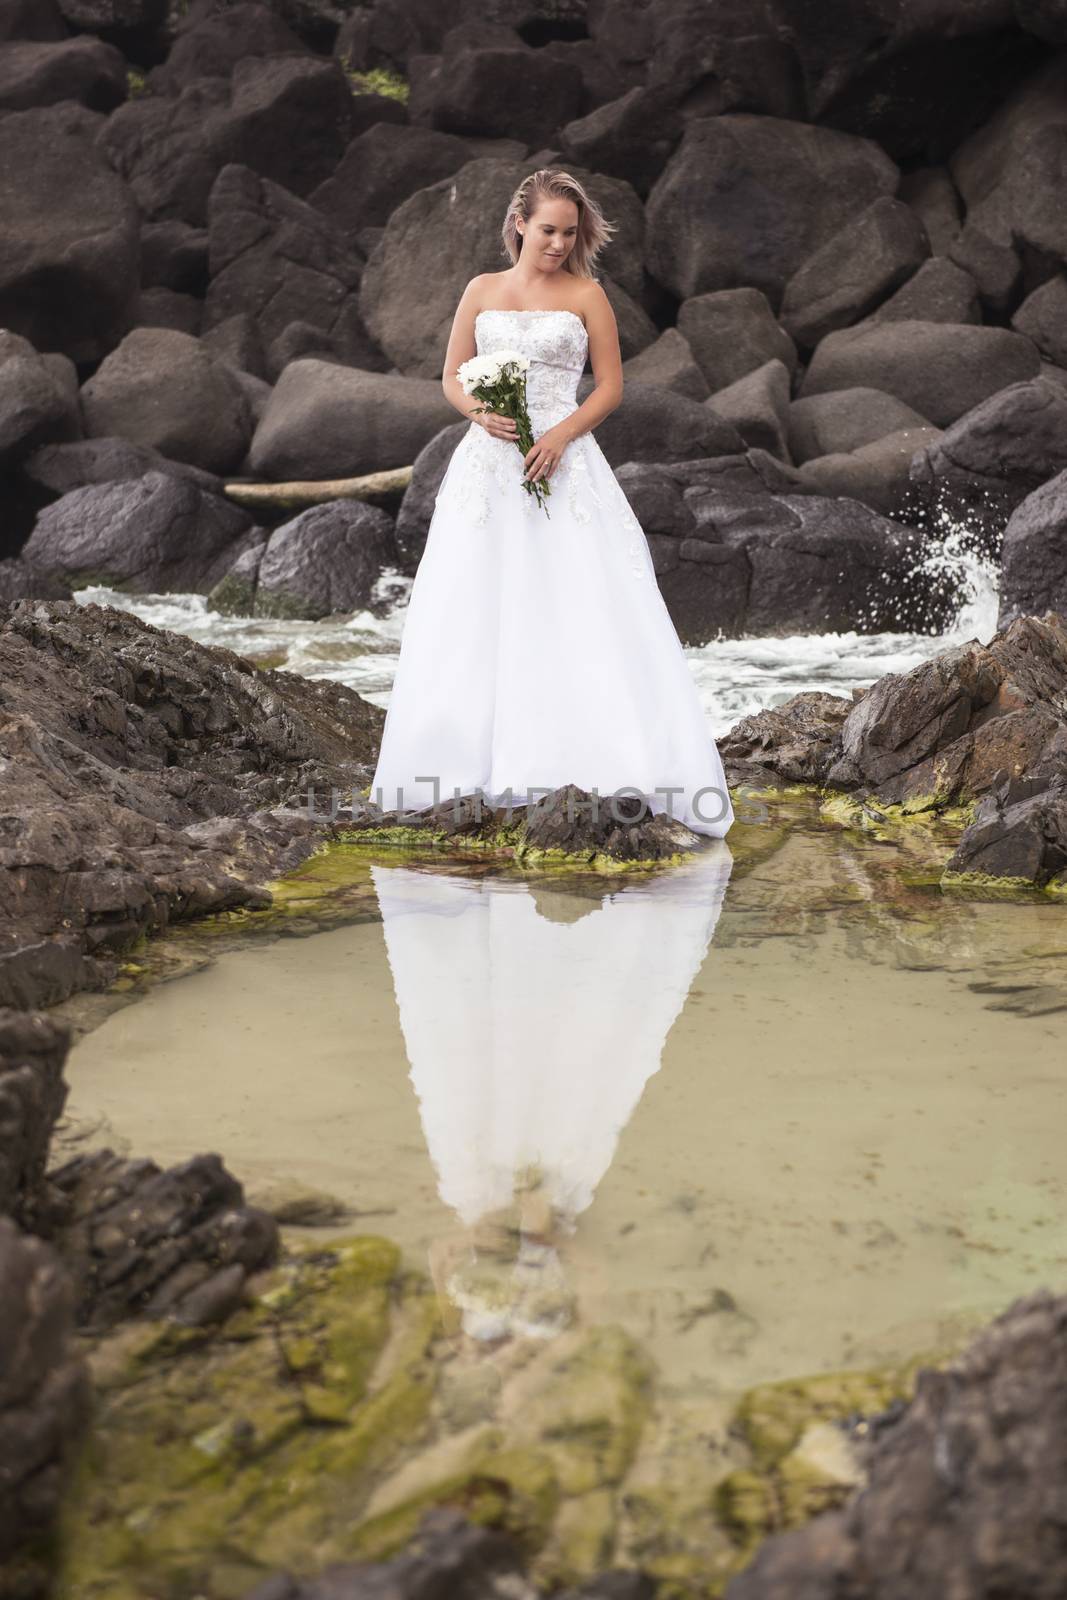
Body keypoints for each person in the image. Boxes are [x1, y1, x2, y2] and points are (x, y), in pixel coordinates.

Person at [369, 167, 735, 840]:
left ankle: (588, 758)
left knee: (575, 599)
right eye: (547, 231)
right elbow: (450, 375)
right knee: (477, 603)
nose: (558, 244)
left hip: (563, 462)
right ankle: (462, 768)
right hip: (488, 462)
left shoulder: (588, 295)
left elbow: (610, 388)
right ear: (518, 225)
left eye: (568, 233)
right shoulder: (481, 290)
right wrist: (483, 412)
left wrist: (562, 434)